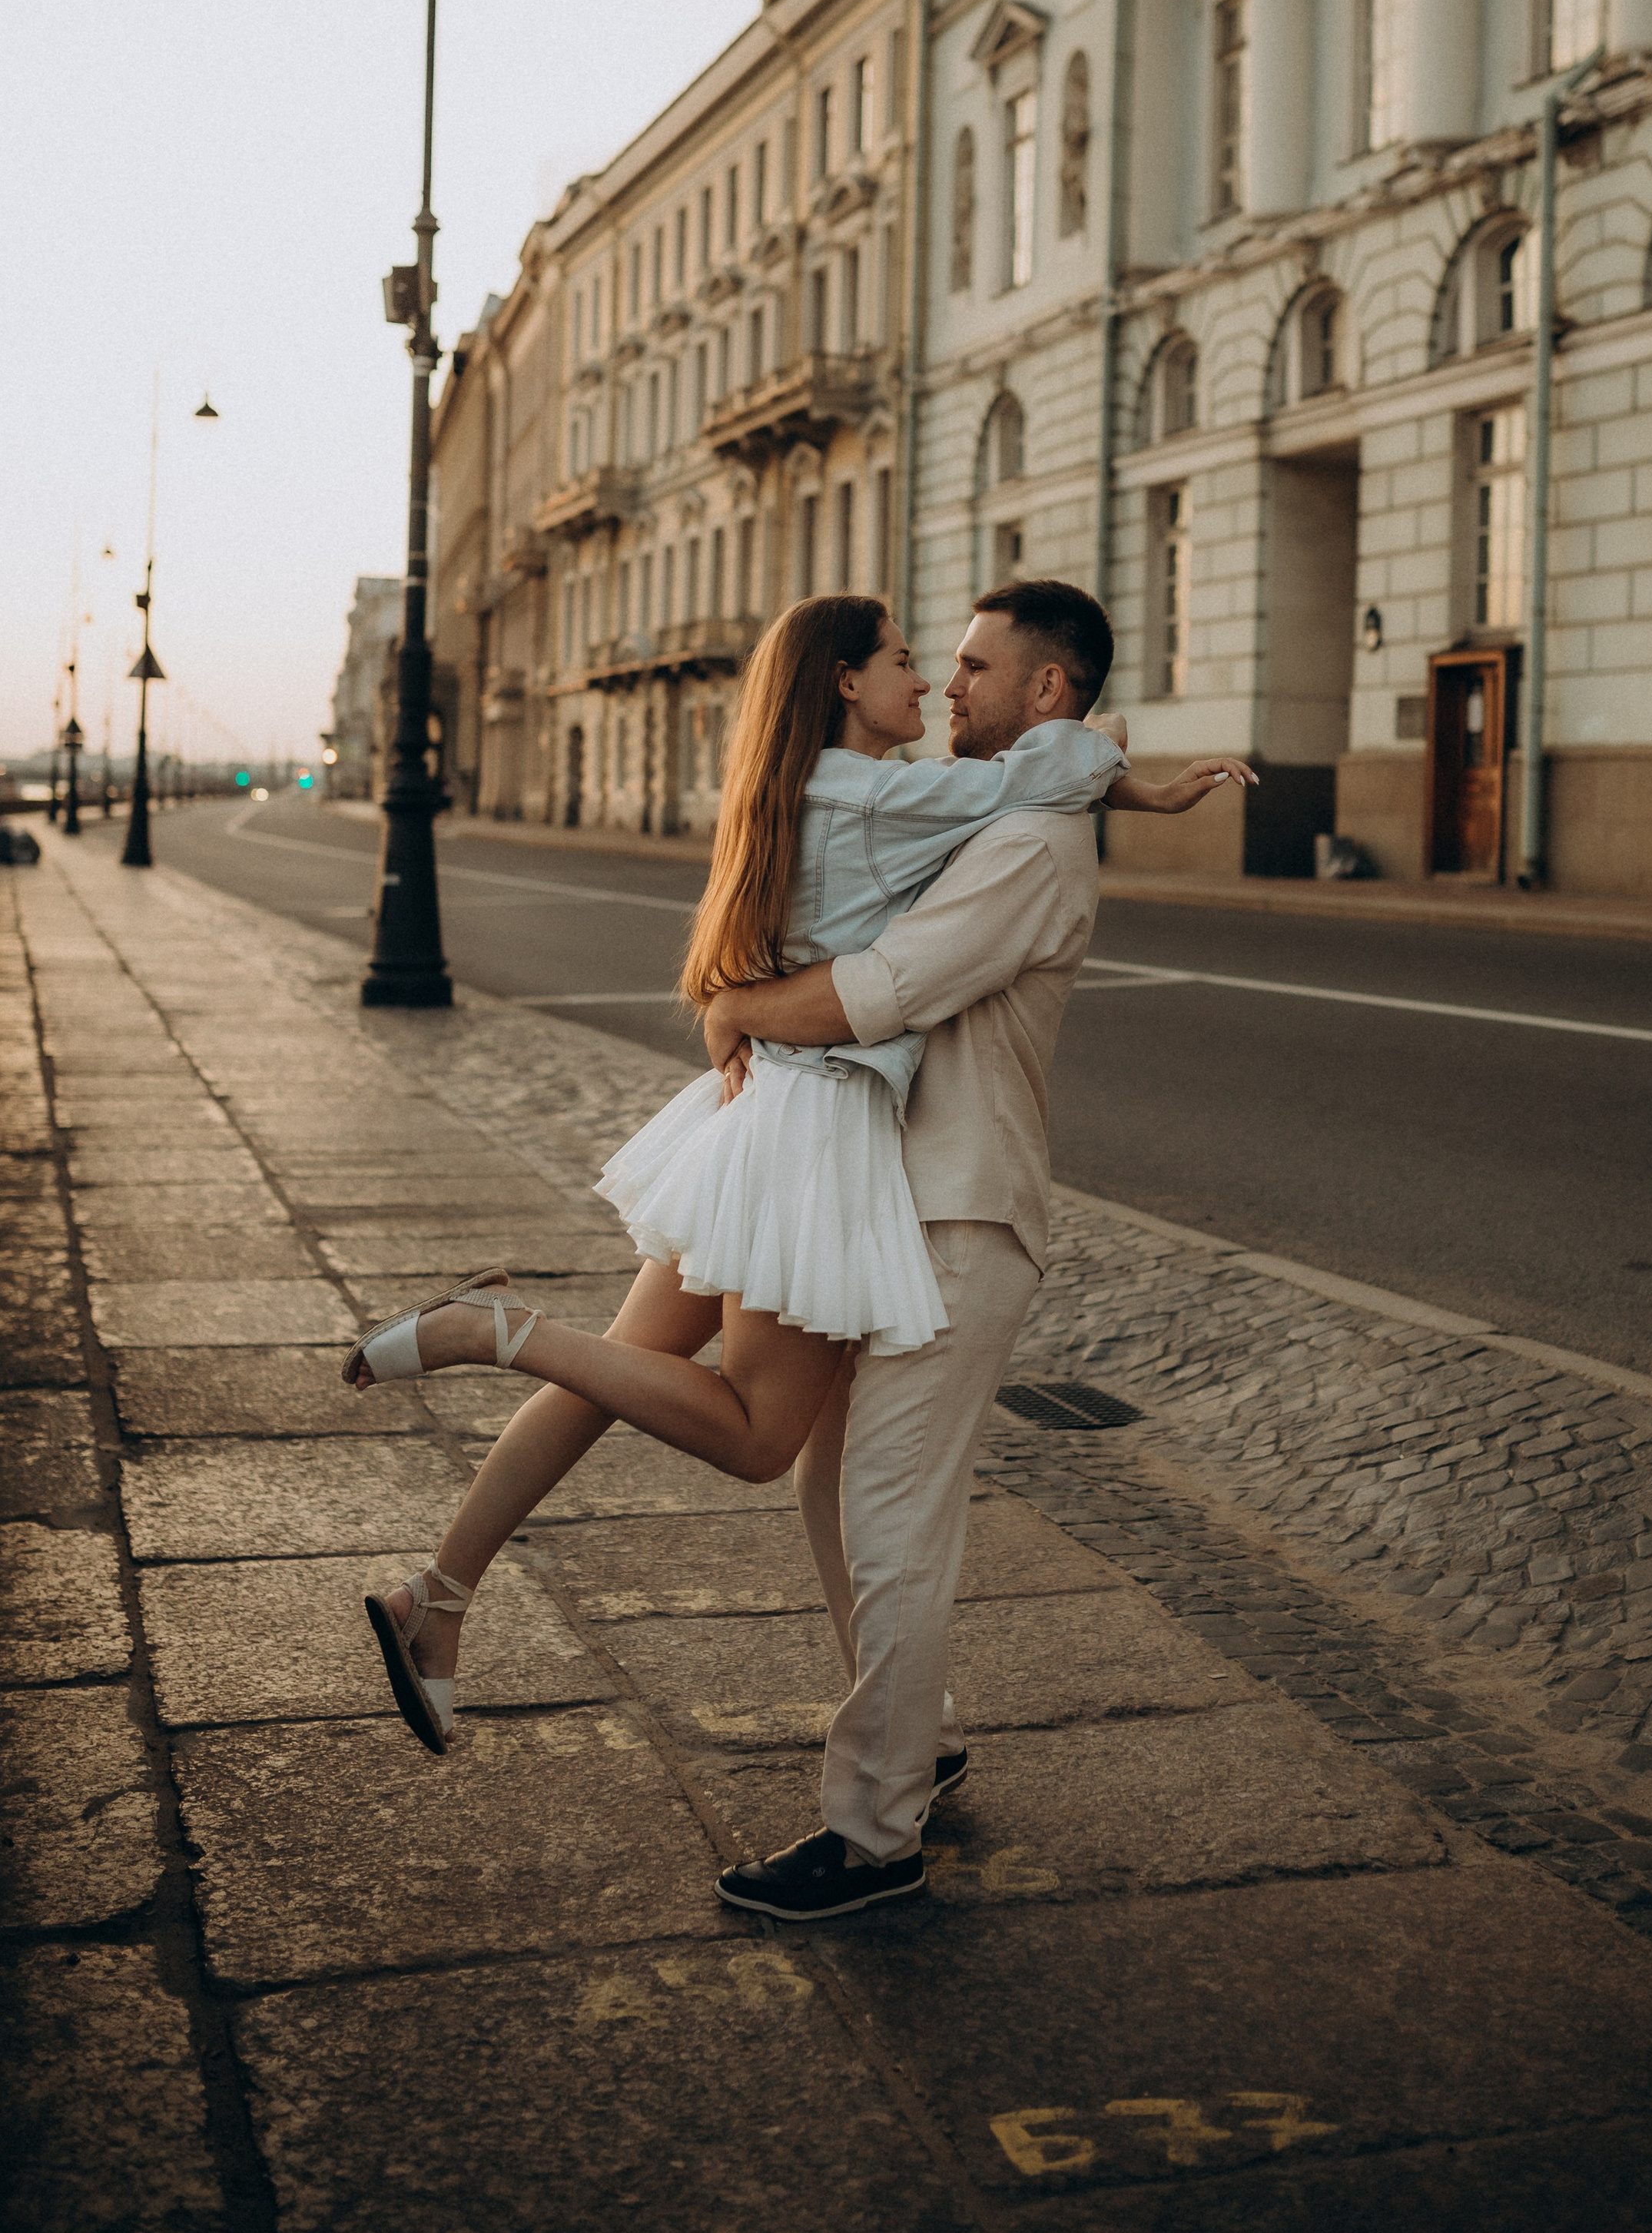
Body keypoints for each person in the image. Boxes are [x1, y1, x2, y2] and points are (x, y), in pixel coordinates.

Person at [343, 590, 1247, 1781]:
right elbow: (1029, 784)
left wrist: (733, 1008)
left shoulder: (801, 784)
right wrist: (1137, 776)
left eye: (956, 666)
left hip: (754, 1118)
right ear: (845, 682)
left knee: (617, 1373)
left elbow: (1026, 771)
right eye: (911, 661)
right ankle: (493, 1329)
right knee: (763, 1436)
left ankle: (439, 1593)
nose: (931, 684)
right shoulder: (884, 796)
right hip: (815, 1134)